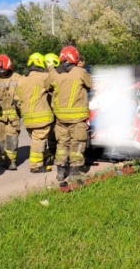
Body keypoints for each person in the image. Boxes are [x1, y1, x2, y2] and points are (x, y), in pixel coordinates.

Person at [49, 45, 92, 182]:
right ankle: (75, 172)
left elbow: (47, 86)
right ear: (76, 58)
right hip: (77, 117)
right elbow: (90, 84)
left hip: (60, 118)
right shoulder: (80, 72)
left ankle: (60, 172)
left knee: (62, 144)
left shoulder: (55, 74)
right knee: (77, 143)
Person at [14, 53, 55, 173]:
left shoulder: (21, 79)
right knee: (39, 140)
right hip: (42, 116)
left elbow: (17, 100)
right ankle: (35, 165)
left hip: (27, 118)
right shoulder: (45, 77)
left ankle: (46, 157)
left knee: (37, 140)